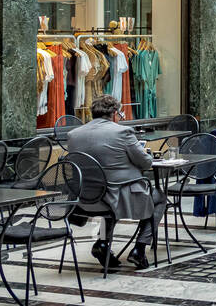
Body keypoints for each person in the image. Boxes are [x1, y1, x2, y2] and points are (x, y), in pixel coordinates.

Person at [66, 93, 167, 266]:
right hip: (116, 197)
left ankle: (103, 243)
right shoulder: (122, 132)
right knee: (160, 198)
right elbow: (145, 162)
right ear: (114, 114)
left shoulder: (73, 134)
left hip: (84, 198)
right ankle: (140, 248)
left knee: (109, 203)